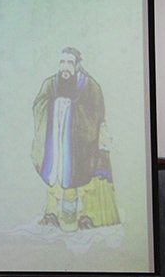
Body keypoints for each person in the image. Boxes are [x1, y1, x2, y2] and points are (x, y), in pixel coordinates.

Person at [31, 47, 120, 232]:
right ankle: (52, 214)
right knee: (55, 176)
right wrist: (56, 108)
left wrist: (71, 112)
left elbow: (96, 114)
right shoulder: (50, 84)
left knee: (82, 180)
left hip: (82, 147)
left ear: (78, 65)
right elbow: (39, 105)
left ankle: (85, 217)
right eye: (62, 62)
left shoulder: (90, 86)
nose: (65, 67)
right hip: (55, 144)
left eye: (69, 63)